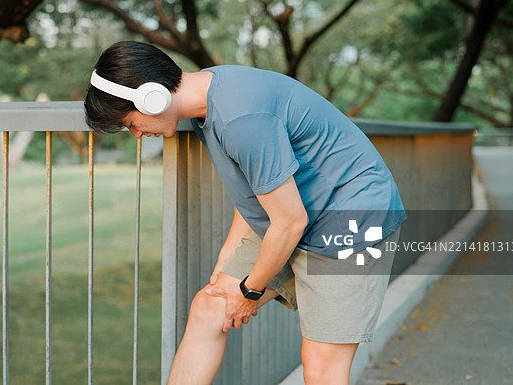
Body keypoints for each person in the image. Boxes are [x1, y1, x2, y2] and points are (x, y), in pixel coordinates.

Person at [84, 41, 406, 384]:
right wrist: (230, 250)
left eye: (130, 123)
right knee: (210, 308)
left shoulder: (240, 118)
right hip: (293, 212)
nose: (136, 134)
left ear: (153, 97)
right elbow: (261, 186)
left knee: (321, 370)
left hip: (348, 218)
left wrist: (249, 291)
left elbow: (290, 222)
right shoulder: (209, 97)